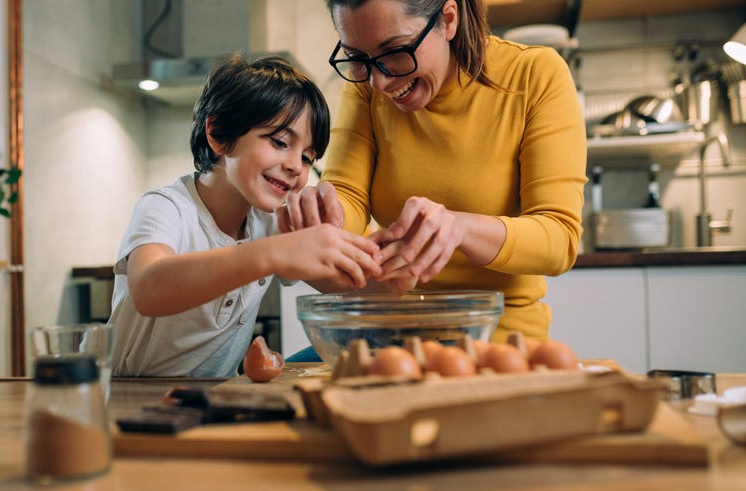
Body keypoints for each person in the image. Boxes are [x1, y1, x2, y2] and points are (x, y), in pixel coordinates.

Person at [278, 0, 587, 343]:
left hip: (498, 340)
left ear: (448, 20)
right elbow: (349, 194)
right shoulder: (366, 84)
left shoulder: (533, 74)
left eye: (395, 51)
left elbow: (559, 238)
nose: (379, 81)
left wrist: (459, 228)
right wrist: (324, 215)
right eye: (357, 57)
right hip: (390, 334)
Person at [109, 54, 383, 377]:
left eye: (307, 158)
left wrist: (399, 258)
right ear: (218, 134)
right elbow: (148, 289)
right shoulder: (166, 206)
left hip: (214, 399)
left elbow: (357, 288)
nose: (296, 167)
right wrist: (273, 253)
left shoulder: (269, 224)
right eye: (280, 142)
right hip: (128, 394)